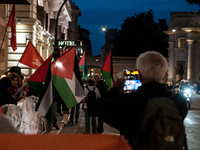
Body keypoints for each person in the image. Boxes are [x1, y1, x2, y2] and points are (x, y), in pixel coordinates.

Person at [96, 51, 188, 147]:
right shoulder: (179, 102)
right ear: (164, 75)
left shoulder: (129, 102)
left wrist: (115, 90)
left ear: (139, 75)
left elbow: (99, 107)